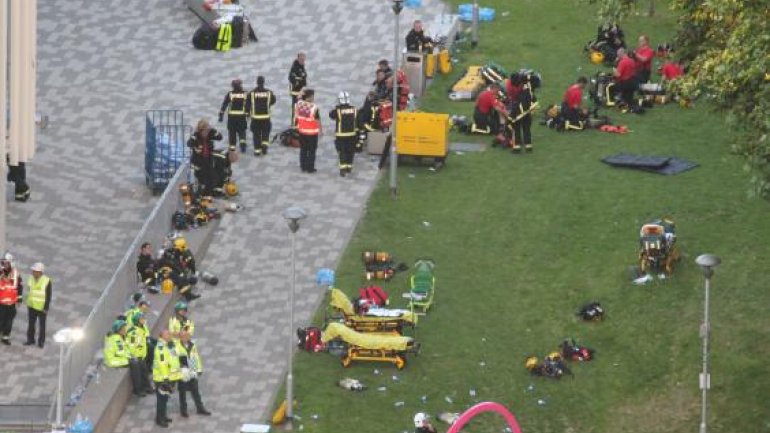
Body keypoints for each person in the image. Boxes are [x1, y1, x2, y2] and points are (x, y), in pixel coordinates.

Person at [104, 320, 150, 397]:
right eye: (123, 329)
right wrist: (131, 357)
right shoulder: (116, 339)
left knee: (139, 361)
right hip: (114, 360)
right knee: (135, 363)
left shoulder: (118, 337)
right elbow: (121, 352)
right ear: (119, 330)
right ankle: (138, 389)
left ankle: (145, 386)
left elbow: (125, 350)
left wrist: (132, 355)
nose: (125, 330)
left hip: (118, 358)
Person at [176, 331, 211, 417]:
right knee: (182, 392)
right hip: (183, 372)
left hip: (192, 370)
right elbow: (174, 360)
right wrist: (179, 370)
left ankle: (200, 408)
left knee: (195, 391)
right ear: (180, 338)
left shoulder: (192, 345)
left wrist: (199, 369)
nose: (185, 338)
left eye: (186, 336)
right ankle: (183, 410)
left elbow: (196, 357)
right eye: (183, 337)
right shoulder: (176, 347)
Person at [153, 329, 182, 428]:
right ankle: (159, 419)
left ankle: (162, 416)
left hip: (170, 377)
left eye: (169, 333)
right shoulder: (161, 348)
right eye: (167, 334)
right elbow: (162, 365)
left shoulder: (170, 344)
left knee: (165, 399)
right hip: (162, 379)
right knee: (161, 400)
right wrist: (166, 380)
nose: (170, 335)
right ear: (162, 337)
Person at [187, 119, 223, 196]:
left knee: (212, 179)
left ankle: (208, 195)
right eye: (205, 131)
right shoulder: (196, 136)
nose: (206, 133)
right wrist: (195, 147)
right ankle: (200, 196)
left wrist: (213, 130)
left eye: (208, 130)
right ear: (201, 130)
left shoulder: (210, 134)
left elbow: (220, 137)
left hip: (208, 160)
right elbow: (189, 143)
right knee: (202, 181)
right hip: (199, 162)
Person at [158, 237, 201, 301]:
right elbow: (172, 264)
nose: (175, 247)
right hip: (167, 270)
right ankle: (188, 294)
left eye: (176, 246)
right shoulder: (174, 252)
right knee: (182, 278)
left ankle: (188, 294)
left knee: (182, 278)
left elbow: (179, 262)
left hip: (170, 269)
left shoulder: (179, 252)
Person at [245, 76, 277, 156]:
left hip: (255, 118)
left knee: (256, 134)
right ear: (263, 82)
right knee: (266, 132)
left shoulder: (252, 93)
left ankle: (257, 151)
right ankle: (265, 146)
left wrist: (247, 113)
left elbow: (247, 104)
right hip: (266, 117)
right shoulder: (269, 92)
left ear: (257, 82)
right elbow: (273, 101)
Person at [329, 92, 358, 177]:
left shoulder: (338, 110)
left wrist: (337, 107)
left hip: (341, 135)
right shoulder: (354, 109)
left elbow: (331, 115)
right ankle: (349, 167)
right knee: (350, 151)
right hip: (352, 134)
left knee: (342, 151)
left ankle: (343, 169)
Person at [294, 89, 322, 173]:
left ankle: (303, 166)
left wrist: (302, 92)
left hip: (302, 131)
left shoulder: (299, 104)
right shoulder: (314, 107)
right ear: (309, 97)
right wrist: (321, 130)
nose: (313, 98)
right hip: (312, 133)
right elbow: (317, 120)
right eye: (312, 96)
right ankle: (310, 168)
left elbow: (297, 97)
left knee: (303, 149)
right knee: (312, 151)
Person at [126, 312, 154, 395]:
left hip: (141, 355)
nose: (143, 320)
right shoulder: (133, 332)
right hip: (136, 357)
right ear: (137, 321)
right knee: (137, 375)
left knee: (144, 372)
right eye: (141, 319)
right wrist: (134, 356)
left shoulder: (141, 329)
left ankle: (147, 387)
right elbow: (131, 346)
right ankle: (138, 390)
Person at [25, 262, 51, 348]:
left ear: (40, 272)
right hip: (31, 306)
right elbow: (29, 291)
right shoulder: (31, 279)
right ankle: (30, 340)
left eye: (35, 271)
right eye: (33, 271)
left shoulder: (47, 281)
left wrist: (46, 308)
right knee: (31, 324)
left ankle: (41, 342)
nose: (33, 272)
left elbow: (48, 295)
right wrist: (27, 302)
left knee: (42, 326)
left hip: (41, 308)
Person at [508, 74, 537, 152]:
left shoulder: (516, 90)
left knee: (516, 129)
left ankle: (516, 148)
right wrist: (527, 76)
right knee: (526, 129)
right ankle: (528, 147)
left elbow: (516, 104)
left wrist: (510, 117)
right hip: (528, 111)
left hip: (519, 112)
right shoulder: (528, 87)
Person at [219, 79, 248, 153]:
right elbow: (249, 104)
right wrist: (248, 113)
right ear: (240, 85)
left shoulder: (230, 94)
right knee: (242, 132)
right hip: (241, 117)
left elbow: (224, 105)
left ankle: (232, 147)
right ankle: (243, 145)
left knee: (232, 133)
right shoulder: (245, 94)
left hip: (232, 118)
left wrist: (221, 115)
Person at [0, 252, 22, 345]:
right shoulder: (0, 273)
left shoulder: (15, 274)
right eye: (4, 263)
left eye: (7, 263)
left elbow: (19, 287)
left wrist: (19, 298)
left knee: (9, 322)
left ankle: (5, 337)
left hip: (12, 303)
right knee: (1, 321)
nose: (5, 265)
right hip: (1, 303)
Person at [288, 52, 308, 124]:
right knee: (296, 110)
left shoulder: (302, 67)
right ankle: (294, 125)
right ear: (298, 59)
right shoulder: (295, 68)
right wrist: (297, 82)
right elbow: (291, 78)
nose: (303, 61)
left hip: (301, 92)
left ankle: (300, 124)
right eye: (302, 59)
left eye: (304, 59)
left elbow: (304, 77)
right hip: (296, 93)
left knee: (301, 110)